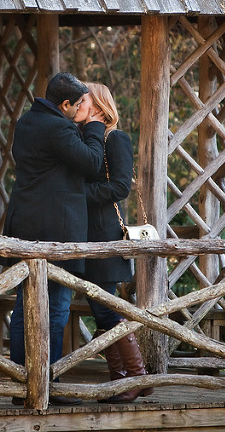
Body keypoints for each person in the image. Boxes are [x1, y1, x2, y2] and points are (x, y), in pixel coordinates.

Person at [1, 72, 105, 406]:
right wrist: (94, 127)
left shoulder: (26, 122)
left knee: (23, 306)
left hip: (25, 223)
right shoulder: (59, 127)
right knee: (56, 306)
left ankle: (23, 382)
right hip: (56, 229)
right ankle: (49, 383)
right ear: (64, 104)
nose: (80, 111)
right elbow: (91, 163)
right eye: (78, 106)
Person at [78, 82, 153, 403]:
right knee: (102, 307)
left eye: (84, 99)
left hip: (105, 234)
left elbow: (120, 187)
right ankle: (126, 379)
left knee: (106, 308)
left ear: (97, 105)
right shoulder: (80, 139)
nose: (78, 104)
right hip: (83, 235)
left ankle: (133, 378)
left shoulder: (114, 138)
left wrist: (75, 196)